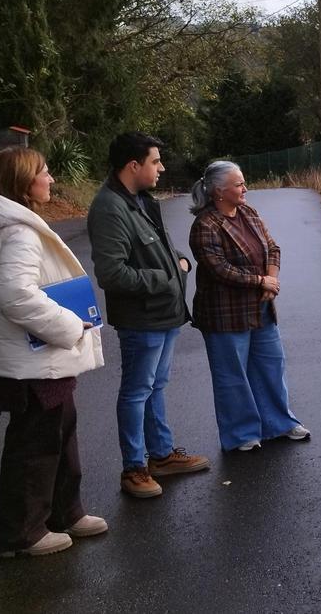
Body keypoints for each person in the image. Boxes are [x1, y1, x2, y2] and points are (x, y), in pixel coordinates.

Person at [0, 146, 107, 557]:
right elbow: (16, 295)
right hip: (34, 362)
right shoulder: (18, 232)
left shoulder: (14, 226)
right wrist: (69, 326)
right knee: (35, 445)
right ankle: (22, 535)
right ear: (25, 182)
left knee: (60, 432)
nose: (52, 180)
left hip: (39, 360)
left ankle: (66, 513)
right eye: (45, 172)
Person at [87, 132, 210, 498]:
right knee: (136, 390)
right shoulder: (110, 208)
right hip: (141, 319)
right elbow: (111, 274)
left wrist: (179, 264)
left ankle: (160, 455)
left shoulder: (141, 200)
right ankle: (134, 468)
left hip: (164, 313)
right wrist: (166, 277)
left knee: (155, 386)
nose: (162, 167)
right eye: (155, 161)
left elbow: (159, 247)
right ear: (133, 165)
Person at [187, 161, 309, 451]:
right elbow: (220, 269)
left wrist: (271, 280)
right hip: (224, 314)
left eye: (243, 182)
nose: (245, 188)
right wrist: (260, 282)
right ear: (219, 191)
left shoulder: (248, 213)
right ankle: (241, 435)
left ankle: (279, 423)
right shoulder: (205, 225)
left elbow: (273, 248)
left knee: (271, 366)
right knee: (232, 376)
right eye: (239, 184)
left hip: (260, 308)